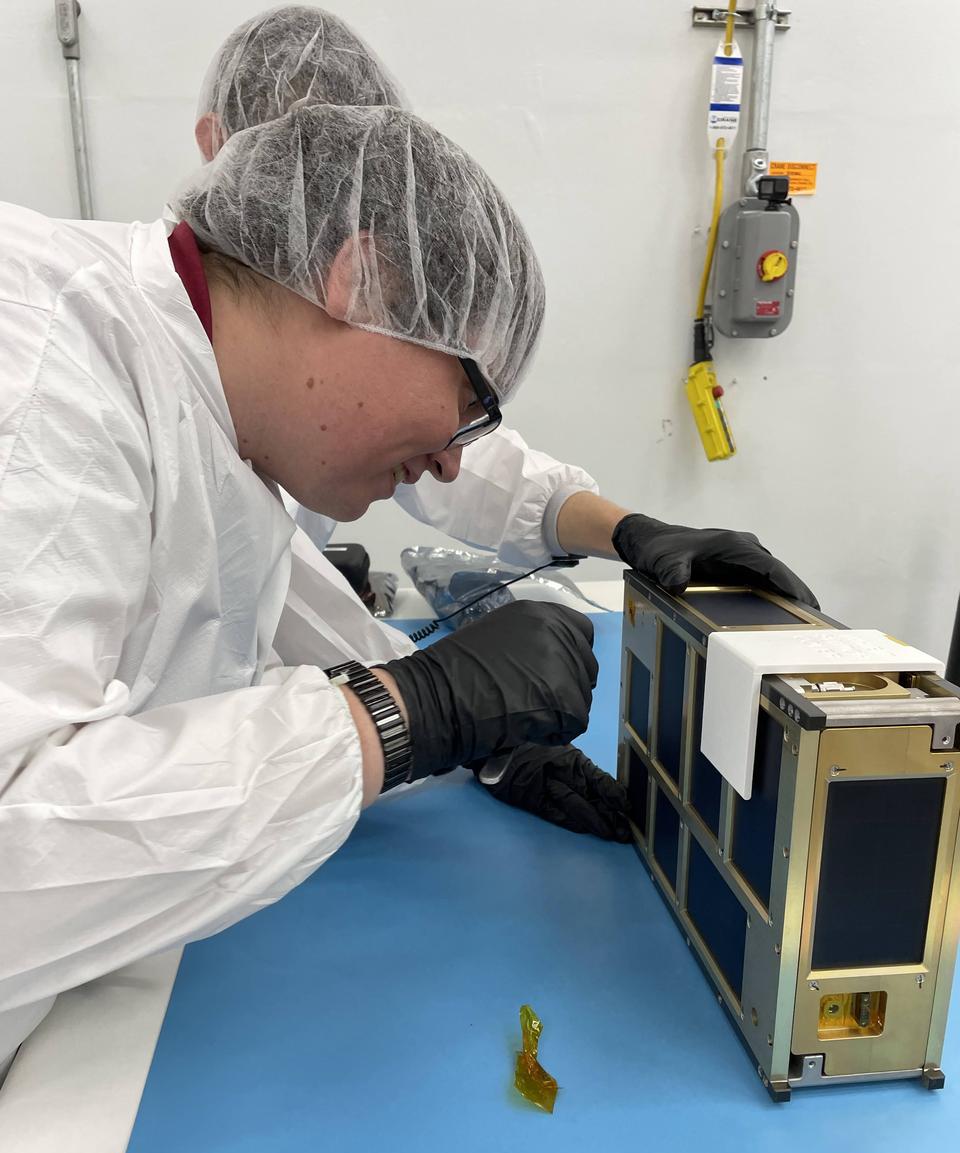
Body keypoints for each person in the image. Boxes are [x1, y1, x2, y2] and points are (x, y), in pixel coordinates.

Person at [0, 105, 600, 1076]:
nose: (454, 463)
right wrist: (404, 716)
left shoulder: (209, 408)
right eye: (472, 403)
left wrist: (481, 744)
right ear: (359, 280)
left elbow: (286, 619)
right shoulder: (44, 366)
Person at [181, 6, 818, 835]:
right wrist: (426, 711)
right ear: (212, 144)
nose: (316, 214)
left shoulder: (260, 387)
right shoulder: (76, 377)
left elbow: (396, 486)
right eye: (297, 176)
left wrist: (625, 532)